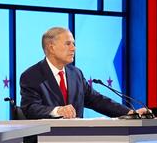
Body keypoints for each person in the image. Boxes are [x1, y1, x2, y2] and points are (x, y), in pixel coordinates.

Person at [19, 26, 149, 119]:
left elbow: (97, 100)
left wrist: (130, 113)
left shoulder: (75, 74)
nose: (73, 48)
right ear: (51, 48)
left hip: (78, 140)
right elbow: (30, 108)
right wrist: (58, 111)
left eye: (74, 44)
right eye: (68, 44)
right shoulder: (31, 76)